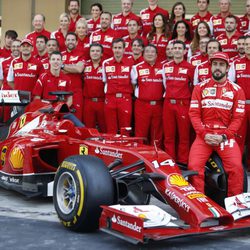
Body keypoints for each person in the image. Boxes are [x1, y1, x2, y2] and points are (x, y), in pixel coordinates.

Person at [188, 52, 246, 197]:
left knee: (236, 168)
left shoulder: (237, 90)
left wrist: (224, 136)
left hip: (225, 137)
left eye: (221, 64)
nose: (217, 68)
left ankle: (234, 206)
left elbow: (238, 118)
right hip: (204, 135)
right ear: (210, 67)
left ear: (227, 68)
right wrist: (204, 133)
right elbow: (194, 114)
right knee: (194, 167)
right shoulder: (200, 87)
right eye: (215, 64)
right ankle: (199, 205)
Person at [162, 40, 195, 164]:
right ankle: (169, 161)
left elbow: (193, 85)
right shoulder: (166, 66)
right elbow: (165, 84)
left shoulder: (190, 67)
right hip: (168, 103)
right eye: (174, 48)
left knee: (184, 136)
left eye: (179, 48)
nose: (176, 50)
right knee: (169, 135)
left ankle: (182, 162)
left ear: (184, 51)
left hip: (183, 104)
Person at [131, 44, 164, 147]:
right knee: (141, 133)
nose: (150, 54)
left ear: (156, 54)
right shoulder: (136, 68)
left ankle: (157, 156)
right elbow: (133, 84)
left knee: (157, 134)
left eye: (152, 51)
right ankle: (140, 157)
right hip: (142, 105)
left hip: (158, 105)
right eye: (147, 52)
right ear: (143, 54)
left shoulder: (163, 67)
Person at [102, 38, 133, 134]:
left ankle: (125, 147)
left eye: (120, 48)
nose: (117, 50)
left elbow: (133, 81)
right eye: (115, 48)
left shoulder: (130, 63)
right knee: (111, 129)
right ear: (112, 49)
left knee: (125, 128)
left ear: (124, 49)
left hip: (125, 99)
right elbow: (105, 80)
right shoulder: (106, 63)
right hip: (110, 98)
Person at [228, 36, 250, 165]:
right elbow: (230, 85)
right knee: (239, 138)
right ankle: (238, 166)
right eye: (246, 44)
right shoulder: (236, 63)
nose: (247, 46)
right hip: (241, 106)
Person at [61, 32, 85, 121]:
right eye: (68, 40)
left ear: (76, 42)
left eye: (73, 40)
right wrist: (73, 67)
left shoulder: (81, 54)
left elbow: (79, 69)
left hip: (76, 93)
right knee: (62, 120)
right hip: (62, 93)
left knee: (77, 120)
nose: (70, 42)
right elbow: (57, 70)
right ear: (65, 42)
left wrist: (63, 66)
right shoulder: (60, 55)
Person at [82, 43, 106, 132]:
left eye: (97, 51)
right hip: (88, 102)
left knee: (104, 128)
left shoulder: (106, 65)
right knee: (88, 130)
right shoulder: (84, 65)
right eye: (92, 51)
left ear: (102, 54)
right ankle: (87, 146)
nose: (95, 53)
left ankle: (105, 145)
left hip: (102, 102)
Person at [0, 40, 21, 122]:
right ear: (10, 48)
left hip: (20, 95)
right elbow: (1, 80)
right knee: (5, 121)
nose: (16, 48)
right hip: (7, 96)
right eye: (14, 46)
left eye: (18, 46)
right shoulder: (3, 62)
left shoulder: (25, 62)